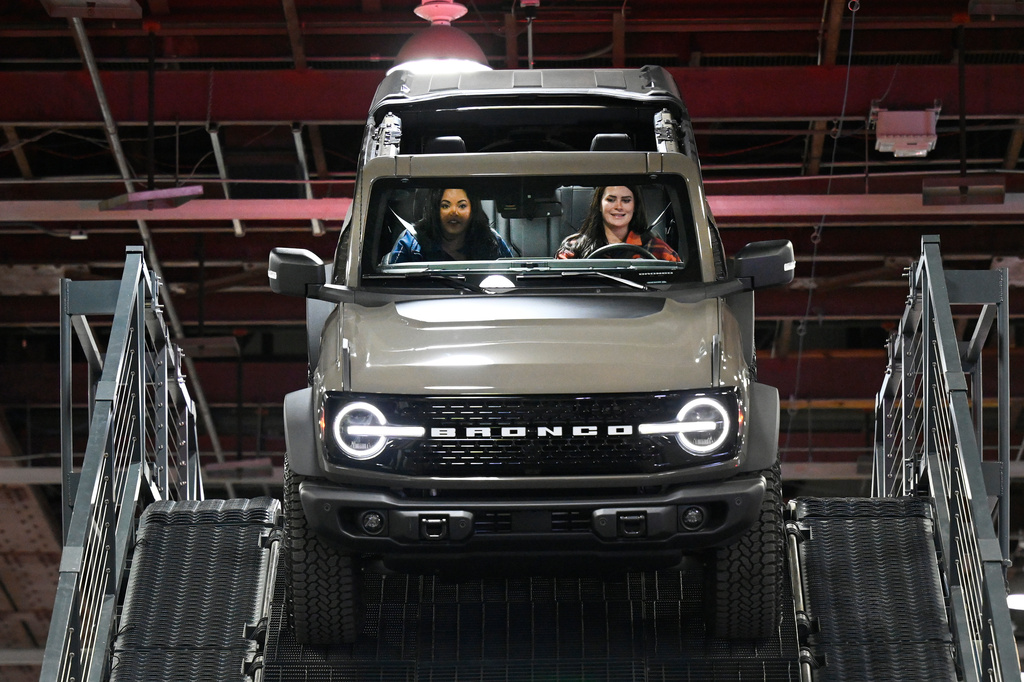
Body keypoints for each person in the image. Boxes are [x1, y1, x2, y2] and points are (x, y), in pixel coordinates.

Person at [386, 188, 514, 263]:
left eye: (462, 206)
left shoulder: (491, 240)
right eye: (445, 206)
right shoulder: (410, 242)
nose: (454, 212)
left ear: (472, 210)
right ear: (435, 210)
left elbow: (511, 277)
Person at [555, 185, 680, 262]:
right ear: (599, 204)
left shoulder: (657, 248)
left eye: (626, 201)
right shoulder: (574, 247)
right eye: (611, 200)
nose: (618, 206)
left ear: (635, 206)